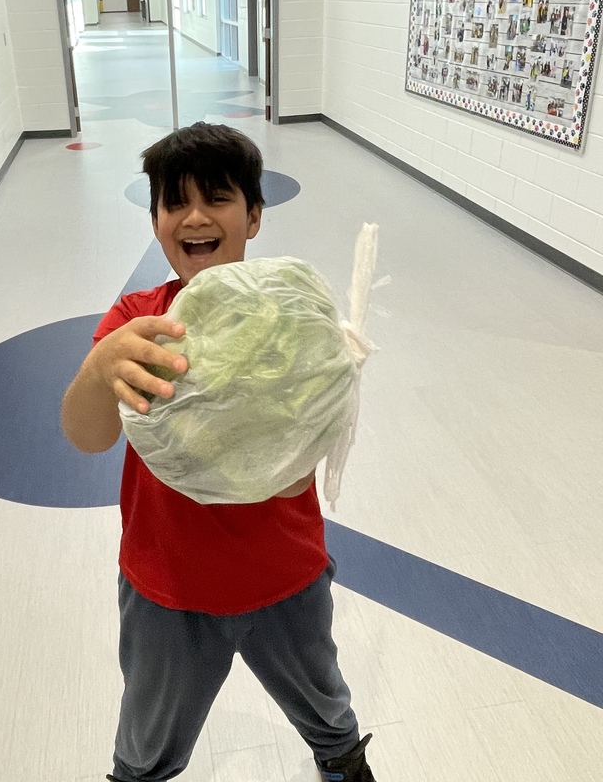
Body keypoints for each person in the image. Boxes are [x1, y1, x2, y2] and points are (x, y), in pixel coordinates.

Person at [61, 122, 376, 782]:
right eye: (175, 202)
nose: (196, 216)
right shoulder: (137, 324)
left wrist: (335, 364)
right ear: (155, 221)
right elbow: (88, 434)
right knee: (146, 743)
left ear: (254, 216)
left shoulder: (294, 314)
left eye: (219, 198)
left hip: (285, 574)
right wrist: (100, 369)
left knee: (326, 705)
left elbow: (306, 443)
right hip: (168, 586)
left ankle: (343, 762)